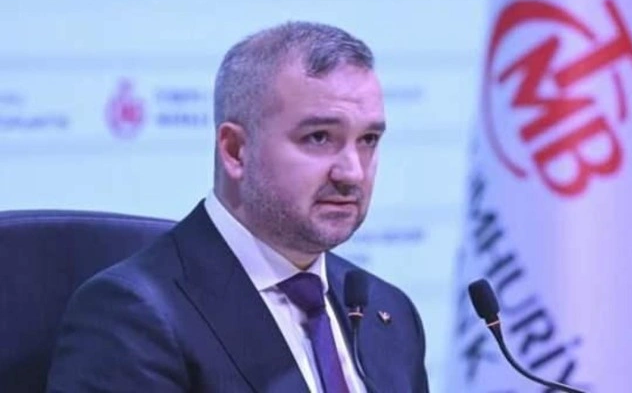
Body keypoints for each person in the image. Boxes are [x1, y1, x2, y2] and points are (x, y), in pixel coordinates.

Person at [46, 21, 429, 392]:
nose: (352, 172)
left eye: (368, 140)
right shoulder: (135, 317)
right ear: (235, 151)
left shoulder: (388, 313)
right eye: (318, 137)